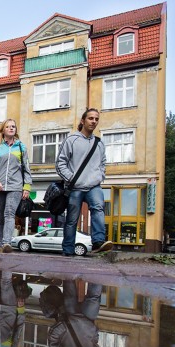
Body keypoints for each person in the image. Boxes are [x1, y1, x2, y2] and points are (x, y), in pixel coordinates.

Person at [55, 108, 113, 256]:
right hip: (75, 188)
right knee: (72, 220)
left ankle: (98, 242)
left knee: (98, 208)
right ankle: (68, 250)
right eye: (90, 118)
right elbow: (60, 163)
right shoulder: (71, 140)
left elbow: (103, 163)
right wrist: (72, 178)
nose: (94, 121)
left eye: (96, 119)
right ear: (83, 121)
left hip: (94, 185)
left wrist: (100, 176)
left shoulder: (99, 143)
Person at [0, 119, 32, 253]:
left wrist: (27, 186)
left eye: (13, 126)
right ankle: (0, 244)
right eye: (8, 127)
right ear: (3, 130)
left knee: (9, 213)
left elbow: (26, 168)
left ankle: (7, 243)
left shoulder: (21, 147)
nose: (11, 128)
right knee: (0, 217)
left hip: (15, 186)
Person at [39, 280, 102, 347]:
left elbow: (53, 337)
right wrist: (93, 331)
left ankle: (69, 268)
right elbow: (95, 344)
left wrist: (65, 324)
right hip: (88, 319)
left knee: (69, 286)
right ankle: (100, 269)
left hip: (70, 315)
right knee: (94, 296)